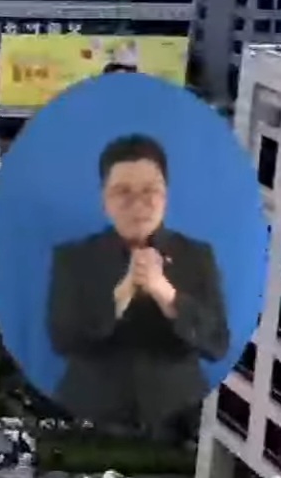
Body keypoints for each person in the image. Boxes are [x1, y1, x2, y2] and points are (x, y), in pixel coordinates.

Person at [45, 133, 229, 430]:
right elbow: (62, 340)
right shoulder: (73, 258)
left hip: (180, 416)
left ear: (165, 195)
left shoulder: (197, 255)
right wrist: (121, 294)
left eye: (149, 191)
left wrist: (166, 293)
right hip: (91, 416)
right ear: (104, 199)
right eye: (123, 192)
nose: (138, 204)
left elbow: (217, 344)